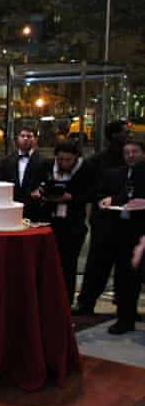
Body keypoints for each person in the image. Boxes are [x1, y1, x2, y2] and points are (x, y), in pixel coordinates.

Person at [73, 121, 131, 315]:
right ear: (114, 135)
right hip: (105, 222)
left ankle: (125, 307)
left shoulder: (133, 160)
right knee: (98, 264)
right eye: (124, 132)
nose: (128, 135)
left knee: (127, 268)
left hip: (129, 222)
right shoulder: (97, 162)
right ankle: (86, 302)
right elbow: (86, 190)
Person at [29, 140, 94, 301]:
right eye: (60, 159)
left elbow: (92, 193)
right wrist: (39, 192)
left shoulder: (85, 169)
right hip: (48, 220)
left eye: (67, 160)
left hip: (72, 224)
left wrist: (72, 198)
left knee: (68, 265)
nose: (63, 163)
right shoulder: (47, 166)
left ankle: (66, 300)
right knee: (45, 264)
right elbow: (36, 185)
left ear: (76, 158)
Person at [94, 141, 145, 334]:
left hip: (141, 230)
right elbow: (118, 195)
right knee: (125, 276)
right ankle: (126, 317)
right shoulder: (117, 173)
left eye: (135, 152)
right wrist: (111, 200)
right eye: (127, 152)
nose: (131, 155)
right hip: (123, 231)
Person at [0, 127, 47, 220]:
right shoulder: (6, 161)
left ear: (35, 139)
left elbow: (46, 182)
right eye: (22, 136)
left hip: (34, 210)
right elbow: (1, 183)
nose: (25, 139)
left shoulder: (43, 162)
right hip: (10, 209)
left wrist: (41, 191)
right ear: (17, 138)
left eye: (29, 136)